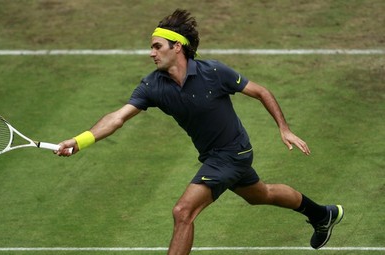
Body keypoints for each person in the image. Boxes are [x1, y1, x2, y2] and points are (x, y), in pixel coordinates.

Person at [56, 9, 344, 254]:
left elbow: (260, 91)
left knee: (183, 212)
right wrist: (80, 141)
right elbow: (117, 118)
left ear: (177, 47)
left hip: (233, 152)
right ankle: (322, 214)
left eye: (157, 46)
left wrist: (285, 128)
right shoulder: (152, 86)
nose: (151, 52)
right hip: (214, 155)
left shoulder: (214, 73)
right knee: (260, 194)